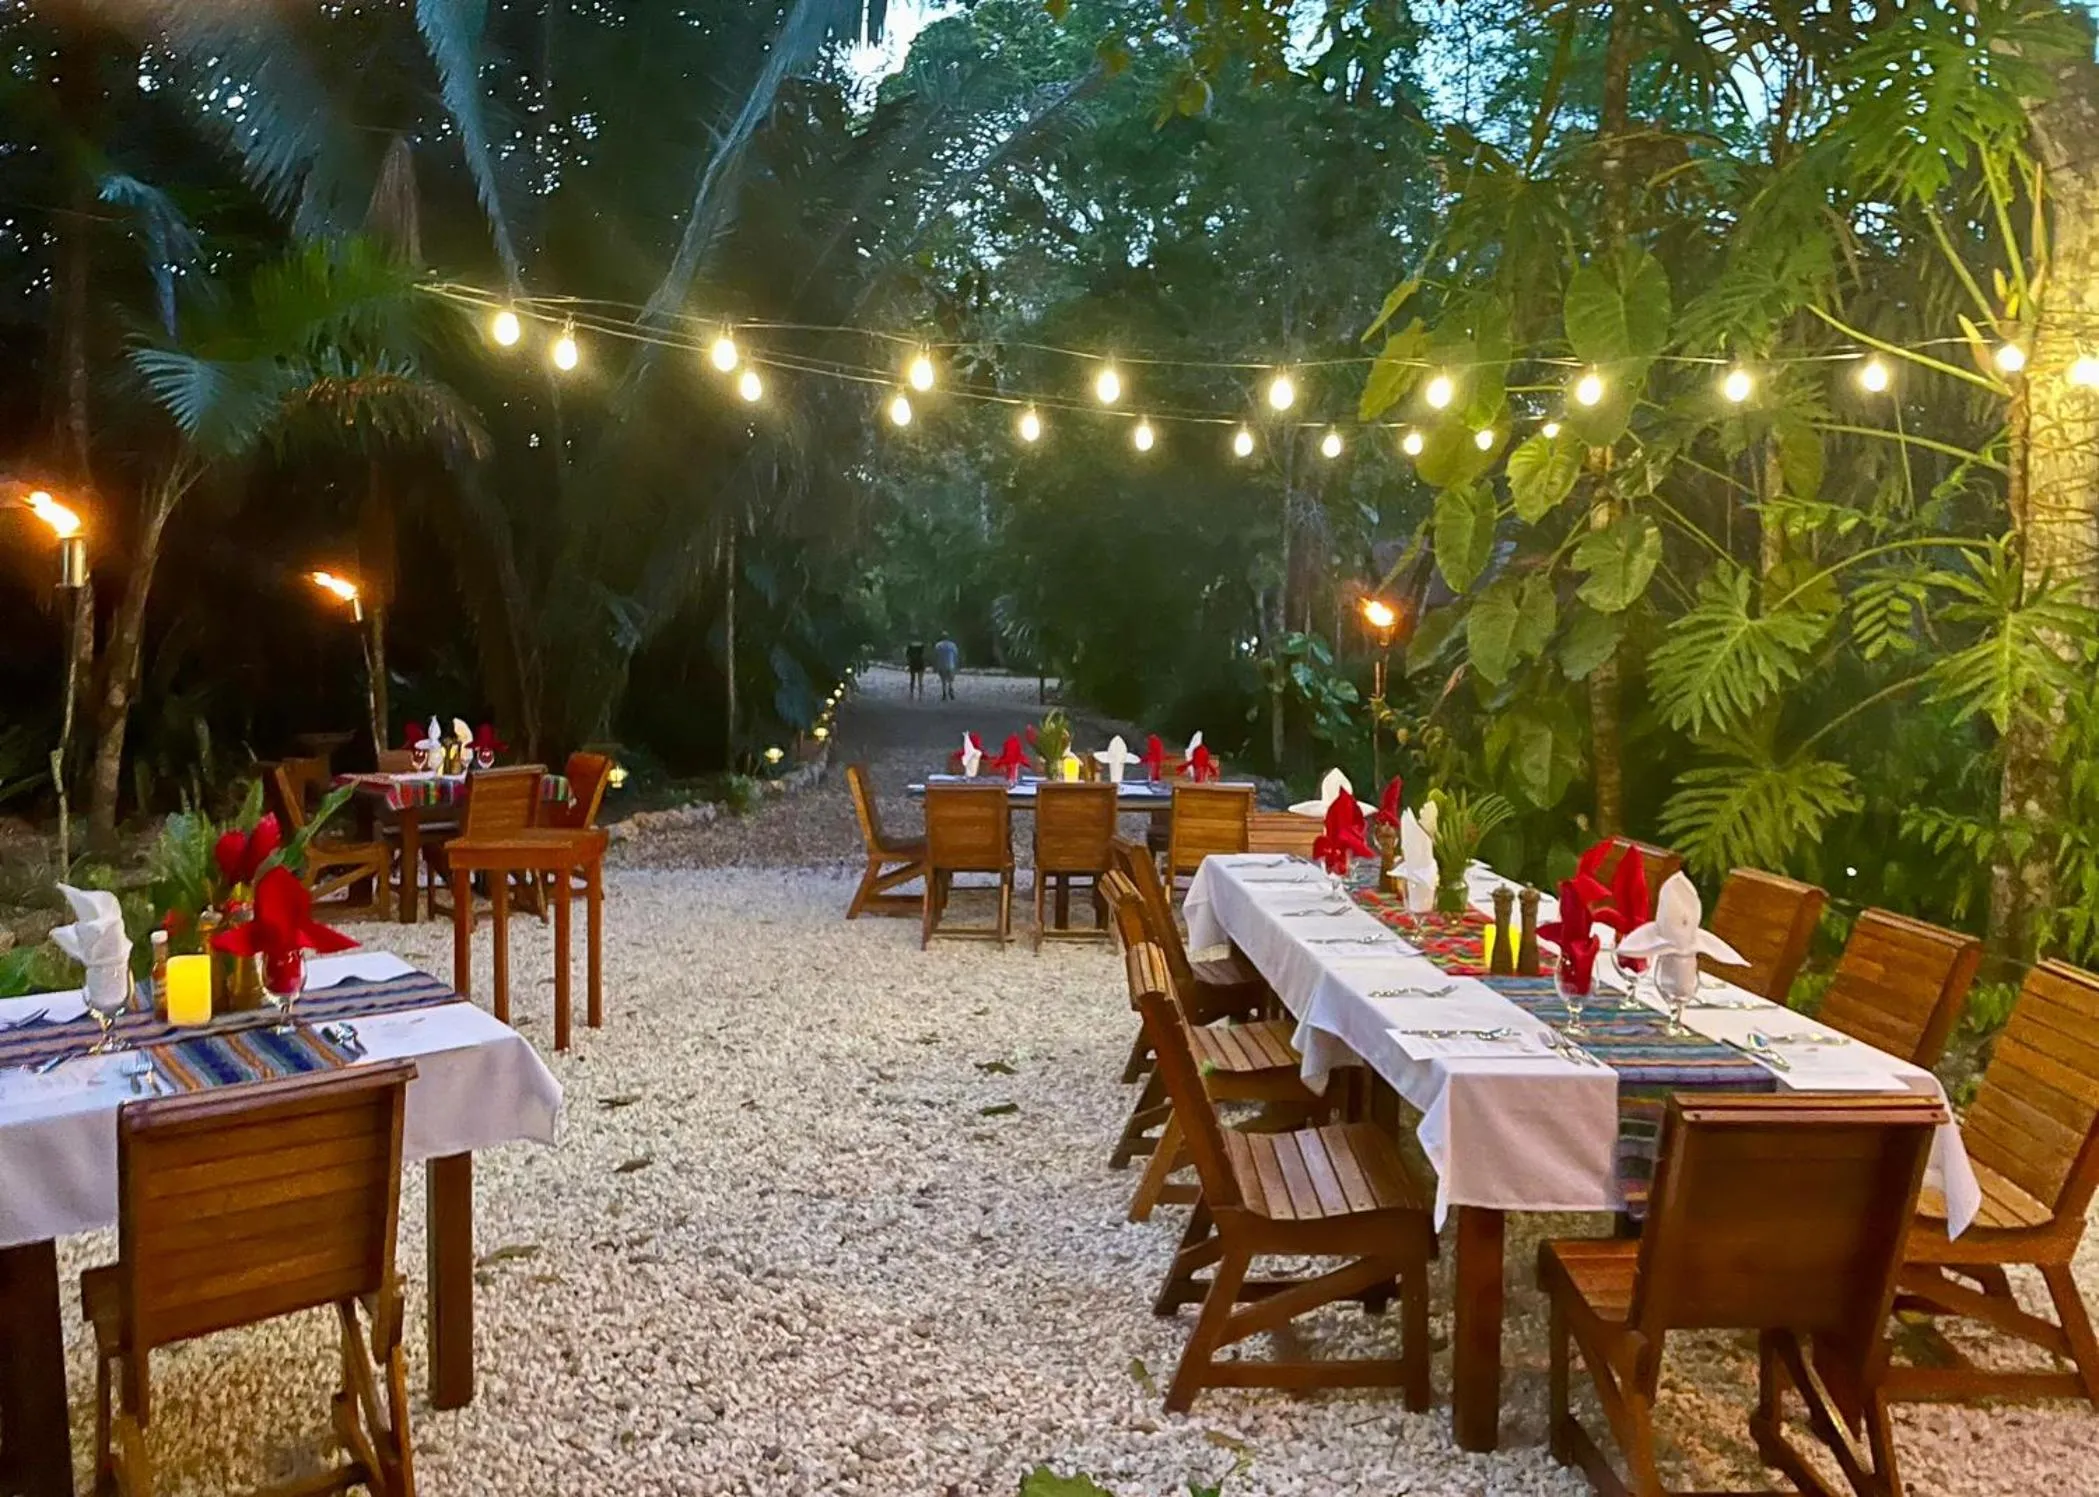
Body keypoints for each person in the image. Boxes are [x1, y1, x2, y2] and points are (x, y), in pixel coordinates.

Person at [932, 635, 959, 701]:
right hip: (950, 664)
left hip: (941, 665)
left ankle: (944, 693)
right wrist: (956, 664)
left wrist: (935, 666)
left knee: (943, 680)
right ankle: (950, 688)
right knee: (950, 679)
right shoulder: (953, 645)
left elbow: (935, 655)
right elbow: (956, 655)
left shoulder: (938, 645)